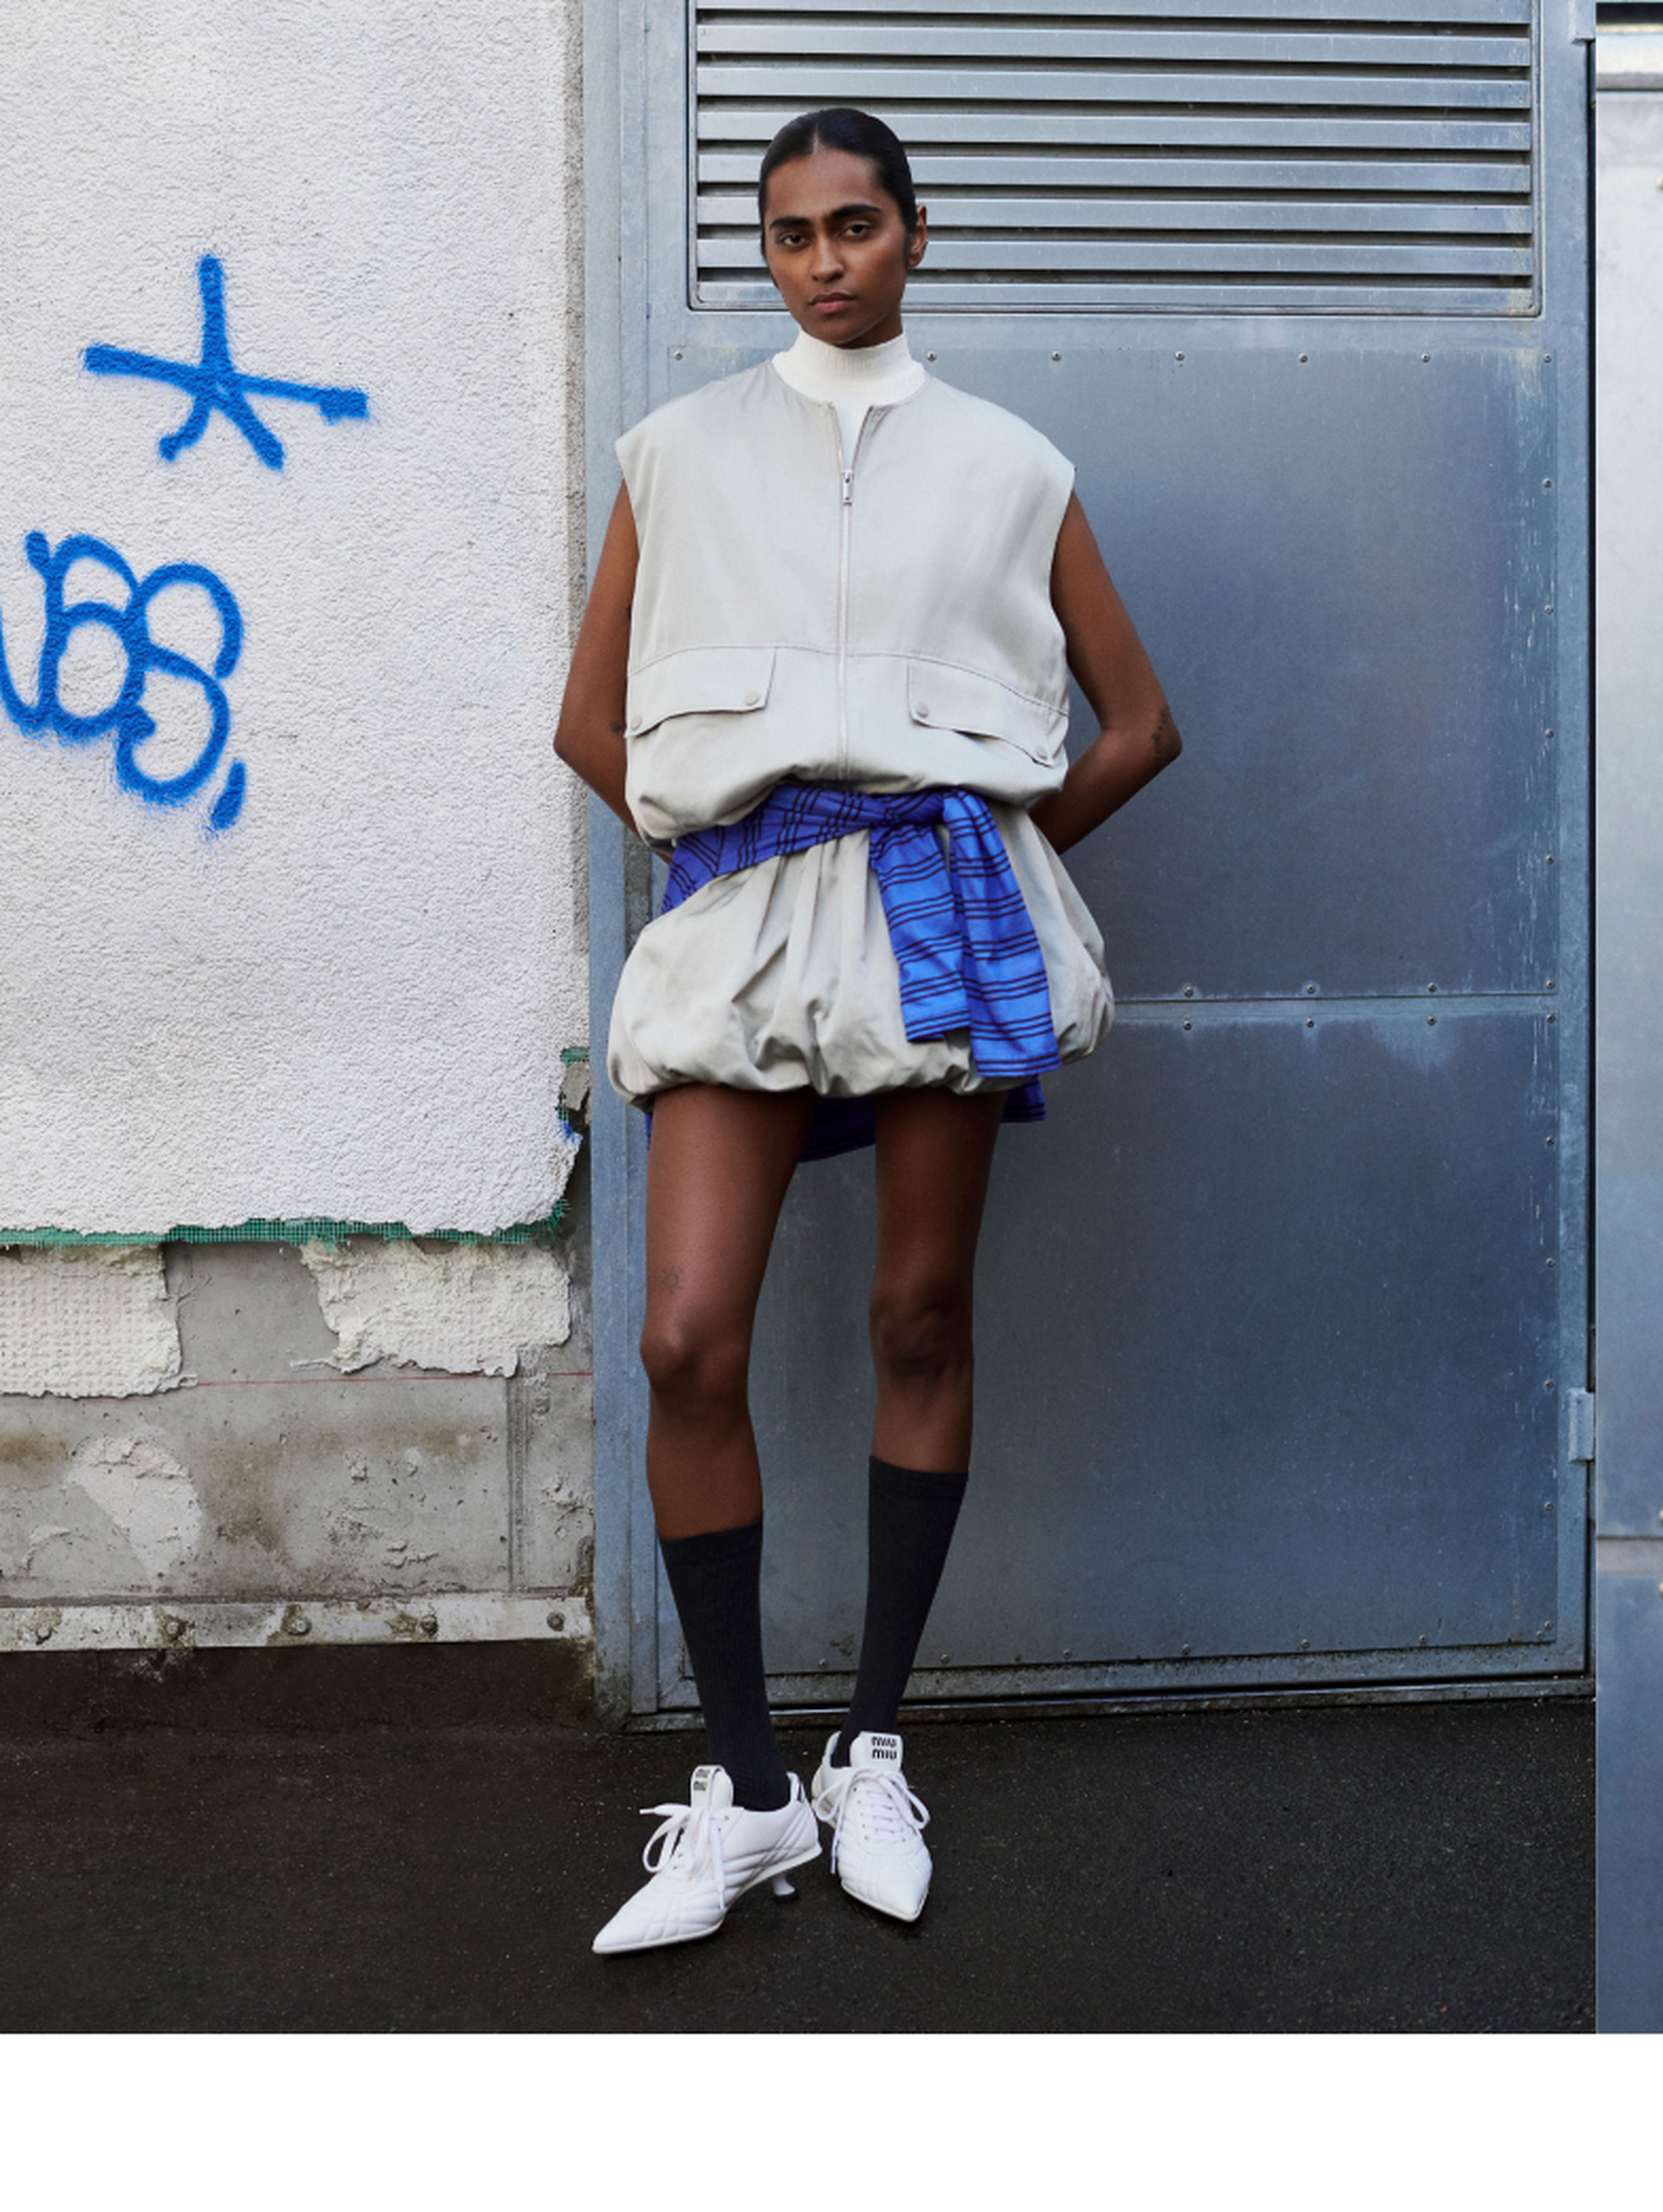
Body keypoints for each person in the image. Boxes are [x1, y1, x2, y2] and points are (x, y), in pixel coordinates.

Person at [551, 107, 1181, 1953]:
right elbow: (591, 722)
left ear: (915, 233)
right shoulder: (676, 453)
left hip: (936, 926)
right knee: (686, 1338)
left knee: (920, 1313)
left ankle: (871, 1748)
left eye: (854, 225)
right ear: (765, 251)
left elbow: (1137, 722)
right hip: (743, 925)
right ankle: (749, 1794)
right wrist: (740, 861)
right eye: (790, 233)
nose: (823, 261)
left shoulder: (1012, 466)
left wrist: (990, 869)